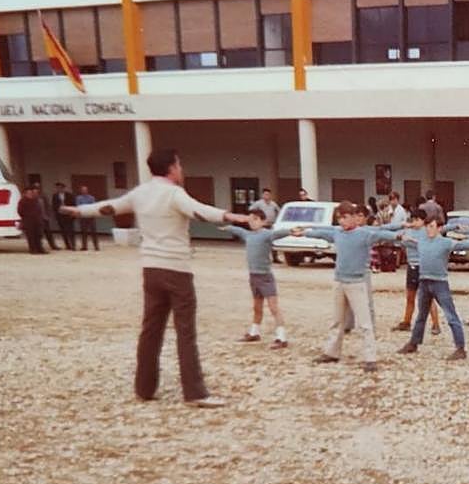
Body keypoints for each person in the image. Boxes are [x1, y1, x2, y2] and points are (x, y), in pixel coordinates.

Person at [62, 148, 250, 408]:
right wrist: (232, 216)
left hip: (151, 269)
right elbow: (199, 211)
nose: (181, 170)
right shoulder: (174, 193)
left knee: (150, 330)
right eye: (179, 165)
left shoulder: (141, 193)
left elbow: (110, 207)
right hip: (177, 268)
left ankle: (144, 387)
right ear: (172, 168)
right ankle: (194, 392)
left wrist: (79, 211)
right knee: (185, 332)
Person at [303, 202, 401, 372]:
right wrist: (305, 231)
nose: (342, 221)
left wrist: (399, 236)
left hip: (357, 283)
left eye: (345, 217)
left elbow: (382, 233)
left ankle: (370, 358)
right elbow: (321, 233)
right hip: (339, 281)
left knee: (364, 323)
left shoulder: (364, 234)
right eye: (339, 217)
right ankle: (332, 352)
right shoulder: (337, 232)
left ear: (355, 217)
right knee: (337, 320)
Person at [397, 215, 469, 361]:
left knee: (451, 315)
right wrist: (401, 237)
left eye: (431, 226)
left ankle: (460, 348)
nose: (428, 230)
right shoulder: (421, 241)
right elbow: (405, 241)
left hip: (440, 283)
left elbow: (464, 245)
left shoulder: (445, 242)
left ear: (439, 228)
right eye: (427, 226)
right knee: (421, 316)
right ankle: (414, 343)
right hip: (424, 281)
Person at [223, 209, 295, 349]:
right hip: (253, 276)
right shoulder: (248, 235)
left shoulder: (266, 234)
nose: (252, 222)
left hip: (265, 276)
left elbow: (278, 233)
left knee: (274, 307)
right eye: (250, 219)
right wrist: (226, 226)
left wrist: (291, 231)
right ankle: (254, 332)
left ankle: (281, 337)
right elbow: (238, 230)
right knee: (257, 307)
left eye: (255, 219)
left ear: (263, 221)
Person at [393, 208, 441, 336]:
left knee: (428, 298)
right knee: (410, 296)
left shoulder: (426, 232)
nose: (414, 222)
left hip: (423, 266)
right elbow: (397, 238)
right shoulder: (407, 231)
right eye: (412, 220)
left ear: (423, 221)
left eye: (417, 220)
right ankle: (407, 322)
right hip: (411, 266)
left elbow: (428, 244)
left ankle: (436, 324)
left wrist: (413, 241)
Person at [251, 187, 281, 263]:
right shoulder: (258, 203)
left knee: (272, 241)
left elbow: (279, 211)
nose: (267, 196)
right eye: (265, 194)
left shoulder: (273, 203)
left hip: (271, 225)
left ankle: (275, 258)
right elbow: (251, 210)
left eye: (268, 194)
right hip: (262, 226)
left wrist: (277, 220)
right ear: (262, 195)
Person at [17, 186, 46, 254]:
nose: (30, 194)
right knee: (31, 236)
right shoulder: (22, 201)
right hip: (28, 221)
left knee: (38, 235)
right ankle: (32, 249)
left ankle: (40, 249)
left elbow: (39, 210)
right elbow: (20, 211)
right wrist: (26, 216)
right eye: (28, 193)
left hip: (37, 220)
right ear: (25, 193)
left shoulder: (35, 200)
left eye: (31, 193)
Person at [51, 182, 77, 250]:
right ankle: (67, 245)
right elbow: (54, 206)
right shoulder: (55, 196)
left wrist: (72, 213)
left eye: (60, 188)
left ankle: (73, 245)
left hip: (69, 215)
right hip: (60, 216)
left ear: (63, 188)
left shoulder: (70, 195)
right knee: (63, 231)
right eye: (57, 188)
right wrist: (56, 213)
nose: (59, 189)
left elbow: (73, 204)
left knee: (71, 231)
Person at [36, 183, 60, 251]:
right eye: (36, 187)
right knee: (39, 234)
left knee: (49, 233)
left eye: (38, 187)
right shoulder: (34, 196)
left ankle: (53, 245)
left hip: (45, 217)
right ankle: (40, 246)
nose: (38, 189)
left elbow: (48, 206)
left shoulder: (43, 195)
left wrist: (48, 215)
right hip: (38, 218)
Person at [75, 185, 99, 250]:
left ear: (87, 190)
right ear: (81, 191)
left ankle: (96, 246)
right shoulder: (78, 198)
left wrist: (86, 208)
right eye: (83, 190)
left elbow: (93, 206)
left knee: (93, 232)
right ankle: (84, 246)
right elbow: (78, 206)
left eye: (85, 190)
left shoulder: (92, 198)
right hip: (83, 217)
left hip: (91, 217)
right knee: (83, 232)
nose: (84, 191)